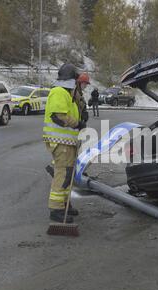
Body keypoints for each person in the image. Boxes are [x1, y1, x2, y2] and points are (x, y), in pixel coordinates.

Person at [43, 64, 90, 223]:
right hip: (60, 142)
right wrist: (78, 123)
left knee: (68, 175)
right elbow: (59, 116)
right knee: (62, 174)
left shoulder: (68, 93)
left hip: (67, 142)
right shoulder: (59, 92)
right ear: (72, 79)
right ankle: (56, 209)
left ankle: (64, 204)